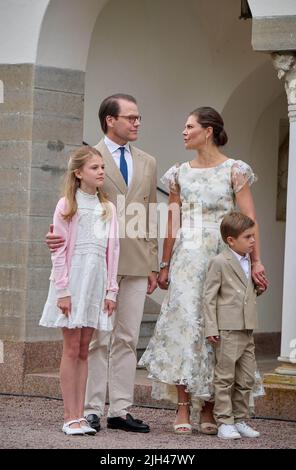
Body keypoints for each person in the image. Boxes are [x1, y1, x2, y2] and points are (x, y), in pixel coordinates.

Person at [139, 106, 267, 435]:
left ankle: (212, 407)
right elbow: (173, 222)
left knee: (220, 329)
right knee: (186, 327)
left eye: (189, 126)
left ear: (207, 131)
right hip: (187, 257)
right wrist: (164, 264)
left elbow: (249, 222)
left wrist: (256, 261)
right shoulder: (178, 173)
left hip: (224, 257)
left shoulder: (235, 171)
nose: (183, 132)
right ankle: (183, 407)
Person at [46, 94, 158, 433]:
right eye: (131, 117)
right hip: (94, 266)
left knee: (126, 337)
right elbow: (68, 216)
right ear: (110, 120)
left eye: (138, 118)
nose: (137, 123)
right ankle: (90, 408)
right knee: (95, 341)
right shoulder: (89, 159)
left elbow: (152, 213)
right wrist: (53, 239)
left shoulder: (148, 161)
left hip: (136, 261)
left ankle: (120, 409)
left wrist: (154, 262)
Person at [40, 146, 119, 435]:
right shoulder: (66, 205)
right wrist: (63, 289)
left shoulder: (107, 208)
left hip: (96, 283)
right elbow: (58, 251)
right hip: (72, 283)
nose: (100, 172)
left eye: (102, 167)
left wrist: (111, 291)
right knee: (71, 348)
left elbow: (114, 251)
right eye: (94, 167)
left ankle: (82, 414)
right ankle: (69, 415)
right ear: (78, 173)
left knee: (85, 350)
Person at [204, 211, 262, 439]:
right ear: (231, 240)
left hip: (247, 327)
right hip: (227, 328)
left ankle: (239, 419)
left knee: (246, 377)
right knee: (225, 377)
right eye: (248, 237)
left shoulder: (250, 262)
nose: (253, 241)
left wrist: (258, 288)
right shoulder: (219, 262)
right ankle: (224, 421)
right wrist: (211, 328)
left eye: (253, 236)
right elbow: (209, 297)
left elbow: (246, 292)